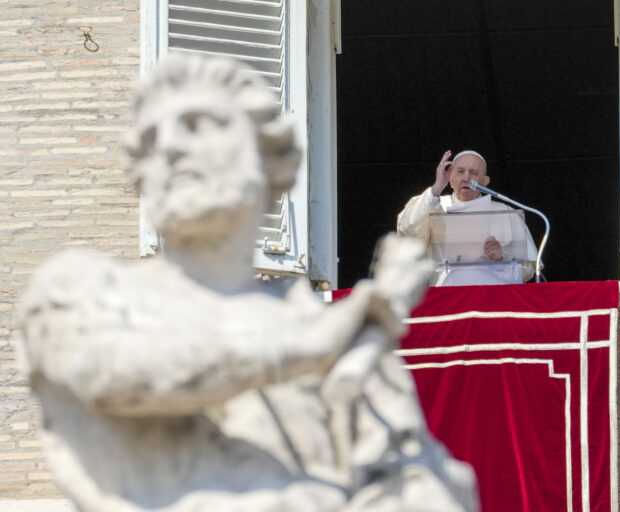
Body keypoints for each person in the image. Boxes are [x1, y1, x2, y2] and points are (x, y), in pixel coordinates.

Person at [18, 56, 476, 512]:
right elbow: (113, 374)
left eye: (200, 125)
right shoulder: (84, 289)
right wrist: (315, 344)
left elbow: (413, 484)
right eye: (151, 140)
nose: (172, 148)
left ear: (271, 163)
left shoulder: (340, 335)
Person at [397, 150, 538, 286]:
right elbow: (409, 234)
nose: (466, 177)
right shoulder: (433, 207)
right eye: (460, 171)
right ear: (450, 178)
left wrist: (503, 257)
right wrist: (437, 188)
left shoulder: (505, 212)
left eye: (474, 173)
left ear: (484, 181)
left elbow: (529, 269)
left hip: (494, 298)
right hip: (447, 297)